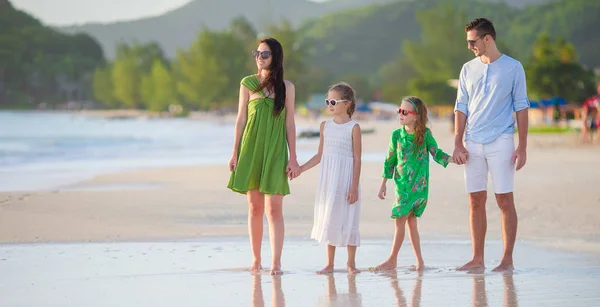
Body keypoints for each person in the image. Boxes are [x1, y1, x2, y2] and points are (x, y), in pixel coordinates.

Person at [452, 18, 530, 272]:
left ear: (488, 39)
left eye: (472, 41)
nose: (469, 46)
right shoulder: (467, 69)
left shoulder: (513, 67)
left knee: (504, 200)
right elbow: (460, 107)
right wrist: (457, 142)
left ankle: (507, 260)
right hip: (472, 142)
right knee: (475, 200)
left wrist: (522, 146)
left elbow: (521, 106)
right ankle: (477, 259)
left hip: (502, 141)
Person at [227, 37, 300, 275]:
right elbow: (241, 119)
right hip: (251, 148)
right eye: (257, 53)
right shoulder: (248, 83)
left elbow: (290, 124)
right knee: (254, 208)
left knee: (274, 209)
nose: (259, 57)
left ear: (275, 57)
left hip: (276, 149)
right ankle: (256, 260)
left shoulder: (287, 87)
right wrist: (235, 152)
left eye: (265, 54)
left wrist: (293, 157)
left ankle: (276, 262)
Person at [374, 96, 456, 272]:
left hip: (419, 187)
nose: (400, 114)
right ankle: (419, 262)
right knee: (409, 222)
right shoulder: (396, 135)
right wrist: (383, 184)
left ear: (416, 116)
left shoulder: (424, 135)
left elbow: (436, 152)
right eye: (399, 111)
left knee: (402, 221)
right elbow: (389, 160)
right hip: (402, 186)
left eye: (405, 112)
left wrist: (452, 159)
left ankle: (392, 260)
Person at [296, 82, 362, 274]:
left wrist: (354, 187)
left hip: (347, 179)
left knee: (349, 218)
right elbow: (319, 155)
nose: (329, 105)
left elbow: (357, 159)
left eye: (333, 101)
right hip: (328, 180)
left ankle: (351, 264)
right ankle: (330, 263)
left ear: (347, 103)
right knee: (330, 216)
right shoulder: (325, 126)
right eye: (328, 101)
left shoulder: (354, 128)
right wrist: (301, 168)